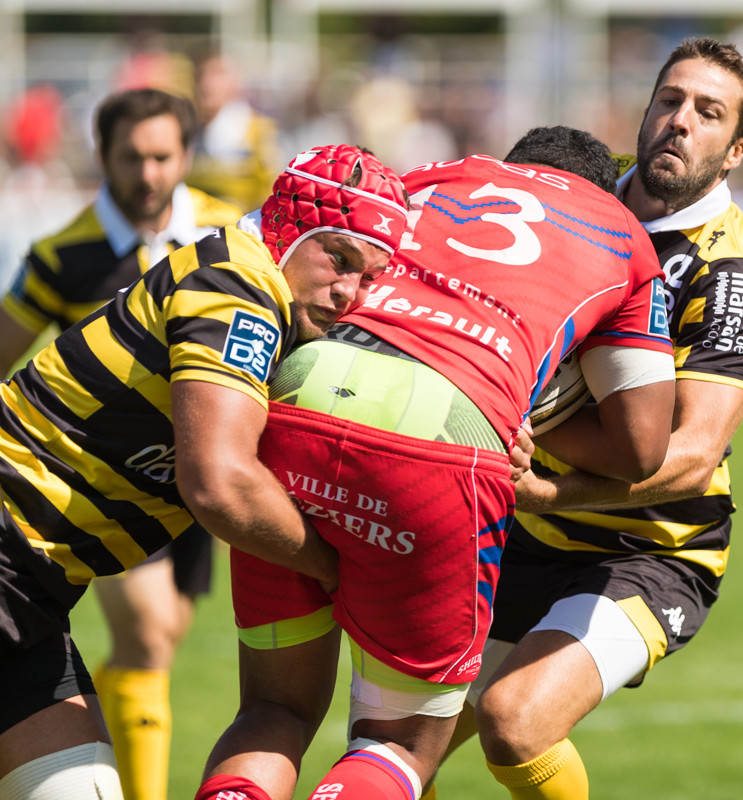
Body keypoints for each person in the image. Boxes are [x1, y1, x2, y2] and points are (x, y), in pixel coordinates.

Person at [194, 125, 677, 800]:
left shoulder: (434, 175)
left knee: (274, 710)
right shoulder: (623, 232)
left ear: (504, 167)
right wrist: (534, 403)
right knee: (396, 743)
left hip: (299, 399)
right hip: (446, 438)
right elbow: (642, 448)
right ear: (602, 189)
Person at [0, 142, 408, 800]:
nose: (350, 292)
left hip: (34, 593)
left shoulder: (256, 285)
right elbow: (220, 483)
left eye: (370, 278)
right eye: (340, 258)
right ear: (290, 228)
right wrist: (346, 572)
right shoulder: (239, 287)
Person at [431, 37, 743, 800]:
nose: (680, 122)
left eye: (708, 113)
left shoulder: (729, 272)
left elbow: (688, 457)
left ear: (734, 151)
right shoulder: (576, 199)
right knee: (398, 737)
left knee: (514, 722)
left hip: (648, 549)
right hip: (519, 528)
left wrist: (550, 487)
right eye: (670, 101)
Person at [0, 87, 245, 800]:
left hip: (196, 480)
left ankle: (89, 725)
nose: (148, 175)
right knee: (145, 629)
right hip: (100, 484)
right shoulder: (62, 254)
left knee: (159, 640)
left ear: (186, 156)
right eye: (131, 157)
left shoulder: (228, 241)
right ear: (102, 156)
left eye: (163, 156)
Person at [187, 50, 282, 212]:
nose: (206, 83)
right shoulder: (186, 129)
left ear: (236, 81)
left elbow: (273, 190)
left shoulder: (258, 131)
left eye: (217, 74)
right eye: (200, 74)